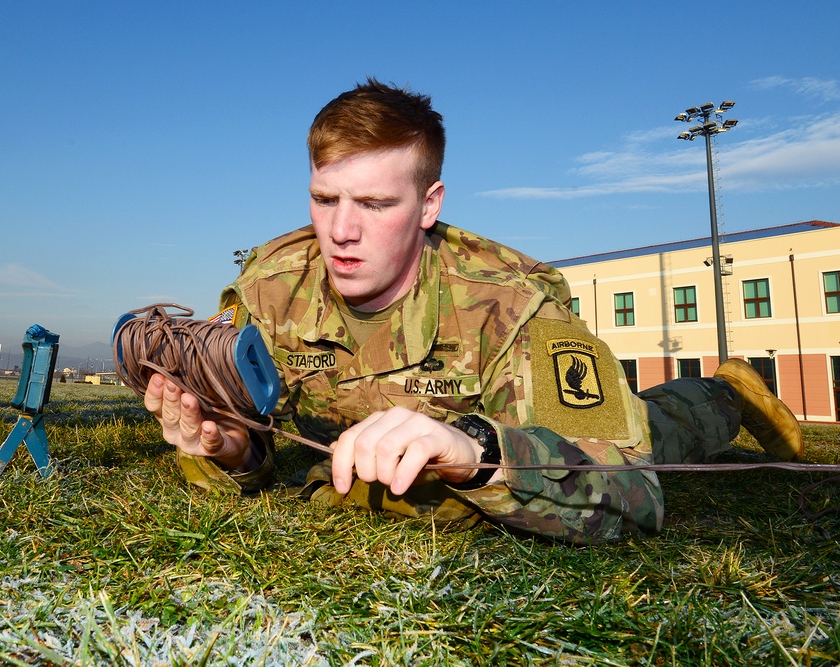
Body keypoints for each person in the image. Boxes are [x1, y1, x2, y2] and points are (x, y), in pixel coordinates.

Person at [144, 79, 803, 544]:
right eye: (324, 198)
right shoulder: (267, 286)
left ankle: (728, 391)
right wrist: (230, 451)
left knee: (658, 431)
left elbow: (630, 494)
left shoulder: (516, 301)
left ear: (429, 205)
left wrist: (475, 453)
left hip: (523, 423)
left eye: (375, 204)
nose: (341, 230)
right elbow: (251, 435)